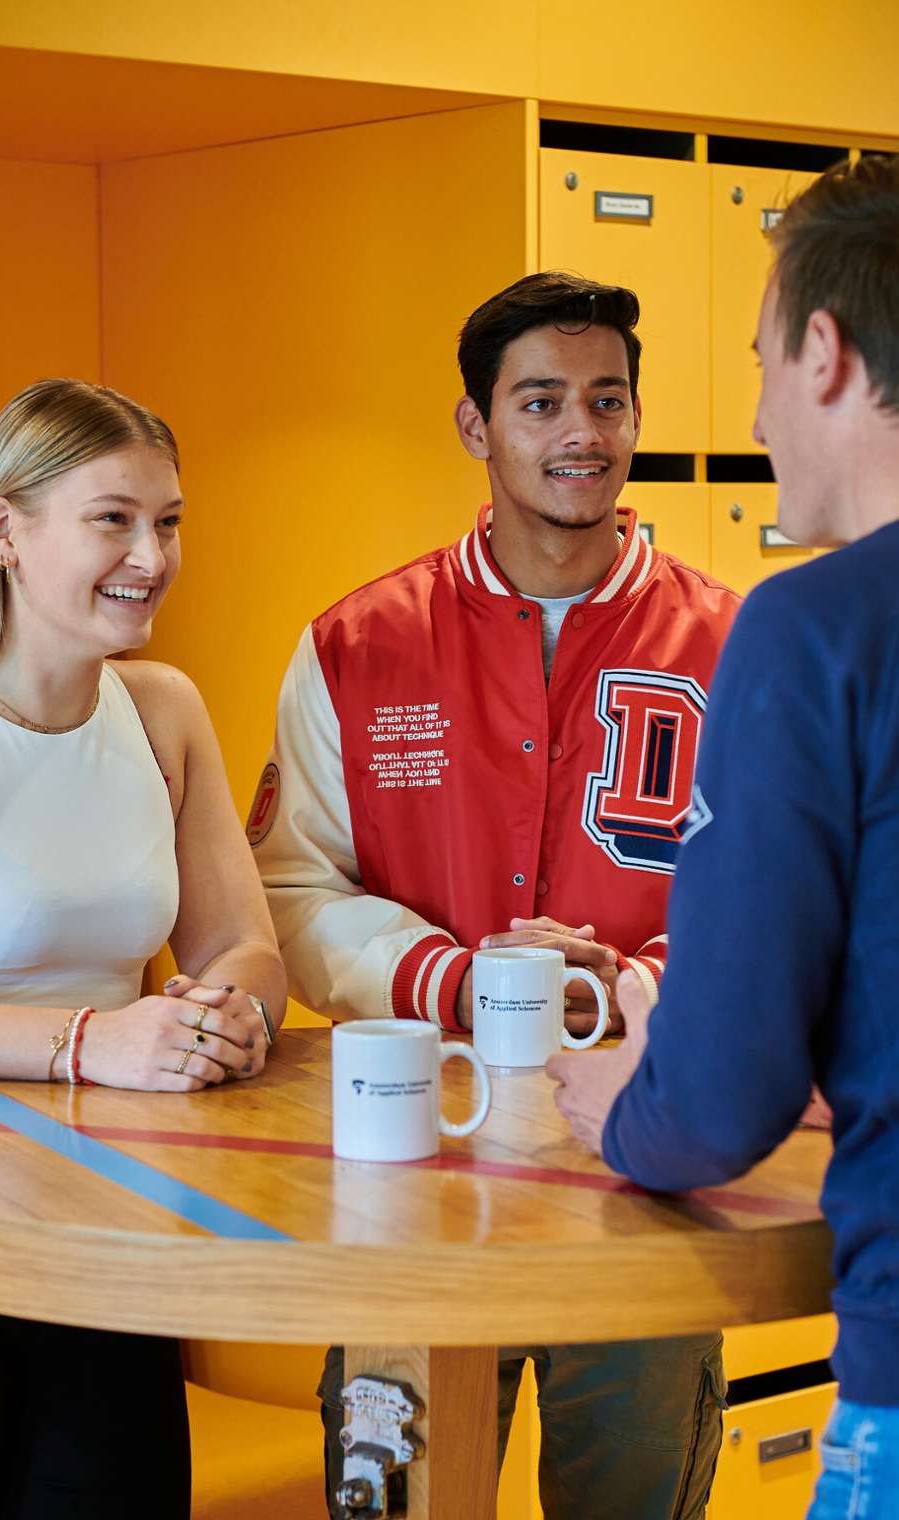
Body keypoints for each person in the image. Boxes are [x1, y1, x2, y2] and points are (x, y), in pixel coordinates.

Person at [250, 271, 740, 1518]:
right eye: (541, 401)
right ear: (477, 426)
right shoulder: (356, 644)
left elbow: (780, 894)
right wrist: (461, 977)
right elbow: (294, 886)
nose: (582, 432)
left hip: (644, 1169)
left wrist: (621, 986)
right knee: (399, 1504)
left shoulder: (735, 643)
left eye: (608, 399)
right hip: (408, 1168)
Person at [549, 154, 899, 1520]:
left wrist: (626, 1104)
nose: (750, 415)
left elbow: (717, 1097)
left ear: (823, 350)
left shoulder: (813, 629)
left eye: (756, 363)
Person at [0, 378, 286, 1518]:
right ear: (4, 530)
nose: (151, 555)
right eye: (113, 517)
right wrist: (88, 1041)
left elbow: (245, 945)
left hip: (113, 1220)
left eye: (168, 521)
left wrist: (229, 1010)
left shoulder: (163, 709)